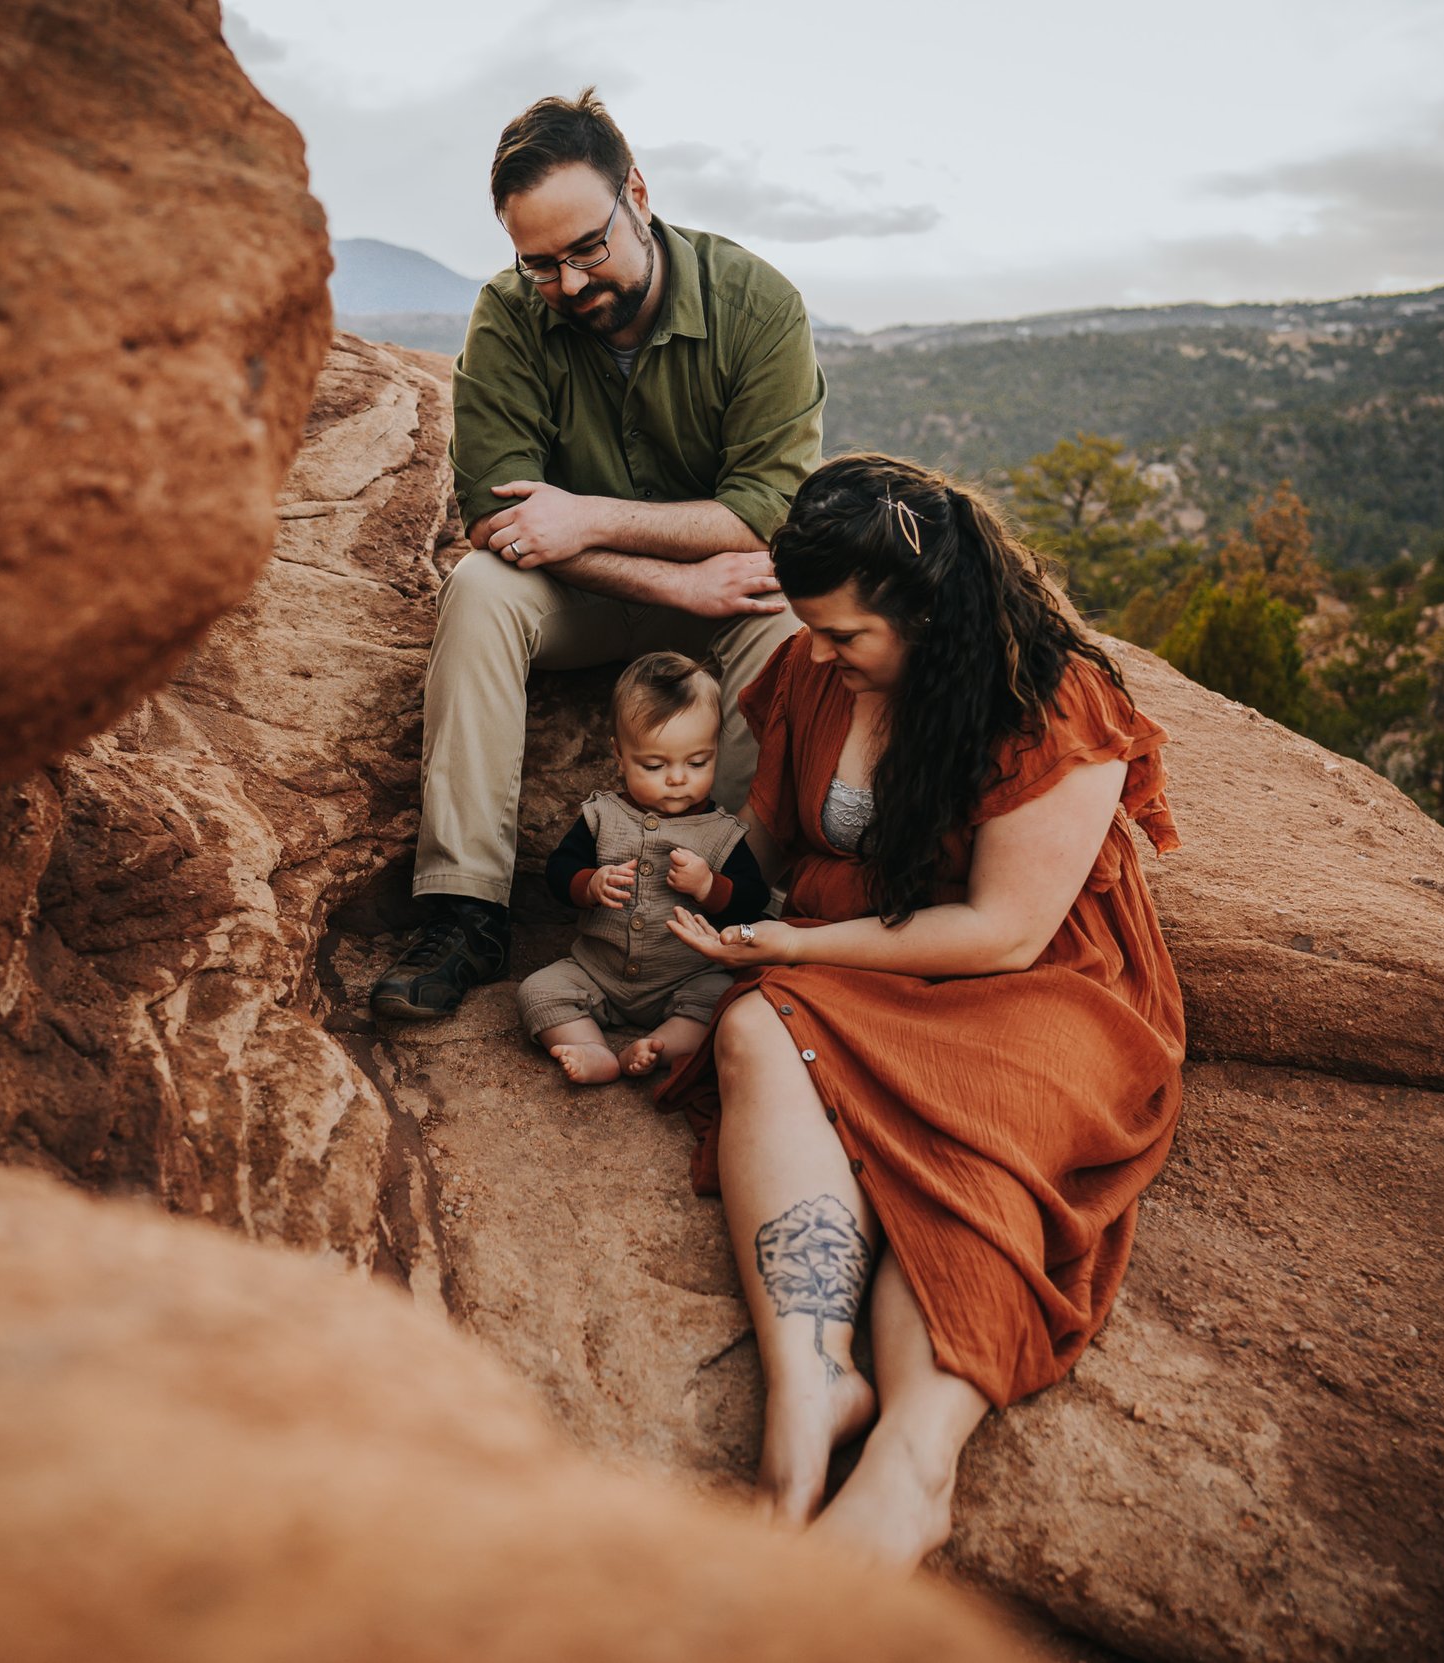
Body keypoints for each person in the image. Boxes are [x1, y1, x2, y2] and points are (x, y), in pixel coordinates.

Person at [653, 453, 1187, 1568]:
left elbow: (1003, 931)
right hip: (866, 950)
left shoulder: (1052, 702)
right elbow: (771, 843)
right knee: (760, 1024)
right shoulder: (813, 667)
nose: (822, 653)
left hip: (1030, 985)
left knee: (979, 1156)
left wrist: (796, 941)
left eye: (847, 635)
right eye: (814, 630)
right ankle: (811, 1389)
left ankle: (912, 1462)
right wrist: (702, 901)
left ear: (931, 612)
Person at [368, 87, 823, 1021]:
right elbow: (500, 521)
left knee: (781, 617)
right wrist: (668, 576)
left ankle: (735, 910)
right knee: (482, 587)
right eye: (541, 264)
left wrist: (588, 518)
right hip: (575, 593)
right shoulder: (506, 318)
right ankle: (464, 913)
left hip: (703, 590)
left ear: (639, 195)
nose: (570, 284)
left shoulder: (759, 306)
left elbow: (765, 509)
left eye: (588, 248)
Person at [520, 652, 773, 1085]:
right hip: (596, 970)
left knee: (724, 1000)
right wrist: (590, 883)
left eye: (698, 762)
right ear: (620, 756)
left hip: (687, 977)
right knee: (537, 991)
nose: (678, 778)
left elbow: (753, 899)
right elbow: (560, 869)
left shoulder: (721, 832)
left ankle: (659, 1047)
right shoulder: (601, 815)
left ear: (716, 750)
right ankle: (591, 1048)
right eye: (654, 766)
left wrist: (710, 887)